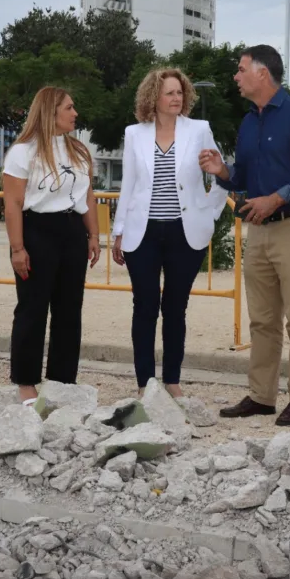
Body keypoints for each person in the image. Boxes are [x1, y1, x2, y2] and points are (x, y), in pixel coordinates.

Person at [198, 45, 290, 426]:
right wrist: (222, 170)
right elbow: (244, 177)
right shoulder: (248, 122)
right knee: (262, 320)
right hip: (258, 231)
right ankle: (261, 396)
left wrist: (275, 199)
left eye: (241, 70)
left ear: (263, 73)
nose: (236, 77)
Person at [112, 67, 228, 397]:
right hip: (142, 233)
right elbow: (129, 185)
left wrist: (211, 212)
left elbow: (221, 174)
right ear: (154, 97)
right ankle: (145, 383)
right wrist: (118, 231)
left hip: (185, 233)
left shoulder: (200, 130)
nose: (176, 98)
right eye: (170, 93)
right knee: (144, 307)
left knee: (176, 308)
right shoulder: (134, 133)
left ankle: (173, 381)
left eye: (180, 92)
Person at [2, 86, 102, 406]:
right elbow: (14, 204)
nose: (75, 114)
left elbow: (88, 197)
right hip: (37, 231)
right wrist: (18, 248)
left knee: (69, 310)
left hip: (72, 230)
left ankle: (62, 380)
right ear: (50, 112)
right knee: (32, 308)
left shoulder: (79, 150)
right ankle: (26, 382)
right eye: (69, 108)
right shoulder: (23, 151)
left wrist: (93, 236)